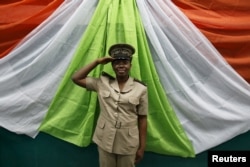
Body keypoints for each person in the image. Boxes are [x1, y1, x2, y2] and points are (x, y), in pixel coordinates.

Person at [72, 43, 148, 167]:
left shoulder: (141, 88)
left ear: (130, 65)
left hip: (128, 141)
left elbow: (143, 118)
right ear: (112, 66)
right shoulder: (102, 83)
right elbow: (76, 78)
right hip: (105, 138)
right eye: (117, 62)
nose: (121, 65)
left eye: (125, 62)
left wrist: (142, 147)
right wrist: (97, 62)